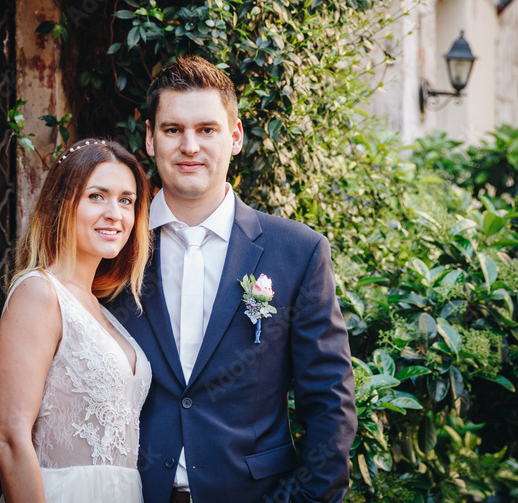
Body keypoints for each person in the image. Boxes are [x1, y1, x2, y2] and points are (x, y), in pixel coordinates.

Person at [109, 55, 357, 503]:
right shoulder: (112, 248)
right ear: (149, 138)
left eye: (207, 129)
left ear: (236, 136)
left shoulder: (298, 253)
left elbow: (329, 403)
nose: (190, 146)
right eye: (172, 130)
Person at [0, 138, 153, 503]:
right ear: (61, 203)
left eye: (126, 200)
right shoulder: (39, 293)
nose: (115, 213)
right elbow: (10, 438)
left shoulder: (101, 309)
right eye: (97, 196)